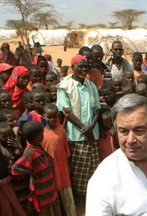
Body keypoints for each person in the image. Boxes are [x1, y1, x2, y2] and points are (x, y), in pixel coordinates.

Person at [56, 55, 100, 212]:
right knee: (79, 175)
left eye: (85, 66)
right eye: (80, 66)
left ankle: (92, 205)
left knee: (94, 172)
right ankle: (81, 207)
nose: (83, 69)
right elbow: (66, 111)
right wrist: (84, 128)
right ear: (72, 68)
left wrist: (91, 127)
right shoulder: (65, 86)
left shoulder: (90, 85)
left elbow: (97, 109)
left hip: (91, 135)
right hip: (76, 137)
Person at [41, 104, 76, 216]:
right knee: (53, 203)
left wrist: (68, 168)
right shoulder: (41, 135)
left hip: (63, 172)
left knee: (68, 200)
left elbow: (67, 153)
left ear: (58, 117)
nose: (51, 119)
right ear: (43, 116)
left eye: (54, 116)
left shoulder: (62, 132)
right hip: (50, 175)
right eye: (49, 117)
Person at [0, 122, 26, 216]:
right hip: (11, 183)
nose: (8, 137)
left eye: (10, 134)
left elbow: (22, 155)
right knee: (16, 204)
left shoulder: (15, 145)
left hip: (22, 180)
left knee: (26, 202)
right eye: (4, 136)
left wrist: (17, 146)